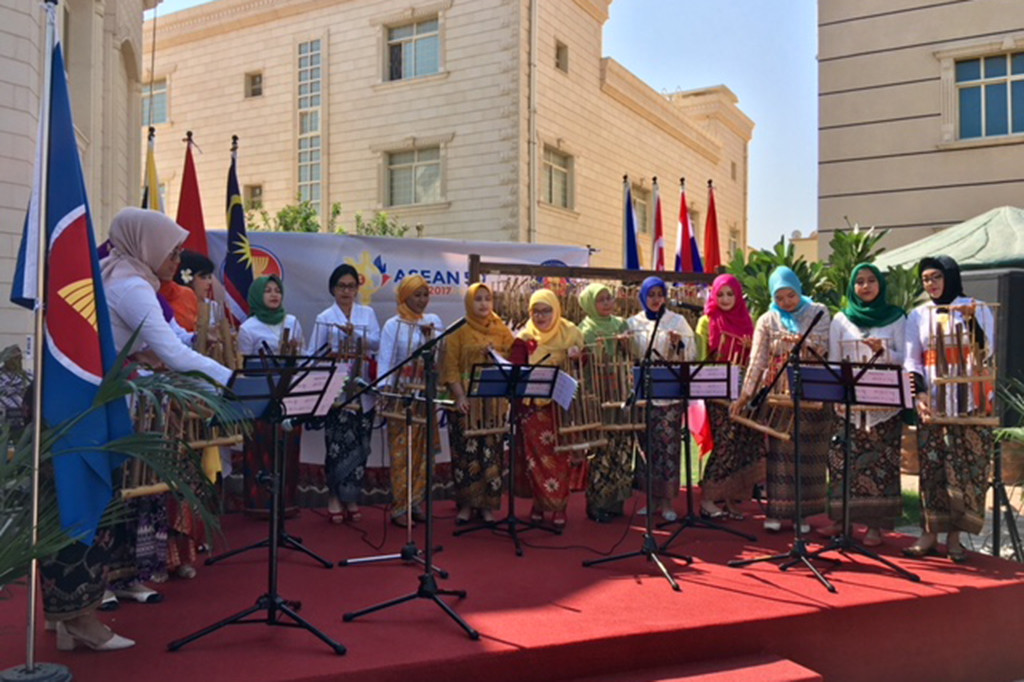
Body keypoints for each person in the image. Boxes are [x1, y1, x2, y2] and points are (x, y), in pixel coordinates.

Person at [41, 208, 230, 652]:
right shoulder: (132, 286)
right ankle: (79, 619)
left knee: (72, 505)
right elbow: (175, 354)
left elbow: (154, 347)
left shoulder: (115, 274)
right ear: (146, 245)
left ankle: (65, 616)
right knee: (91, 505)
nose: (178, 260)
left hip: (76, 402)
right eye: (172, 251)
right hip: (95, 411)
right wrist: (235, 384)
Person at [902, 255, 994, 563]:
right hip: (934, 403)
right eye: (926, 279)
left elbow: (987, 351)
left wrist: (970, 320)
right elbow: (912, 359)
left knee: (966, 471)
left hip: (970, 404)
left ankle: (956, 538)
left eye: (936, 277)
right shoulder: (918, 315)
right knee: (932, 471)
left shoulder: (976, 307)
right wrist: (920, 394)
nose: (931, 283)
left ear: (950, 277)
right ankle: (929, 534)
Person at [731, 266, 831, 533]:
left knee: (807, 454)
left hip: (811, 391)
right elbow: (757, 359)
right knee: (779, 454)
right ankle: (776, 511)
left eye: (791, 295)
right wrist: (745, 394)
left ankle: (802, 515)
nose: (786, 302)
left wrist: (803, 343)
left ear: (799, 290)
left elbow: (825, 347)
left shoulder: (818, 311)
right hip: (778, 394)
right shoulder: (767, 319)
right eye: (779, 297)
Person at [820, 264, 907, 546]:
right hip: (848, 404)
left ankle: (874, 527)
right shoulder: (841, 319)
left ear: (880, 284)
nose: (865, 286)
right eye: (859, 281)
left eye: (871, 280)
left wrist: (884, 351)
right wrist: (836, 396)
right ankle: (841, 522)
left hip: (884, 406)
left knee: (880, 464)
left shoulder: (896, 317)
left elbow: (906, 359)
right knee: (841, 463)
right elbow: (834, 360)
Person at [306, 264, 380, 523]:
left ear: (357, 289)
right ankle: (334, 497)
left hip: (362, 387)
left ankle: (352, 498)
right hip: (336, 389)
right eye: (341, 286)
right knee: (336, 445)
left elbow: (377, 342)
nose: (346, 291)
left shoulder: (367, 313)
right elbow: (313, 353)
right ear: (333, 289)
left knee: (361, 444)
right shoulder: (325, 317)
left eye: (351, 286)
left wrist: (354, 334)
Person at [509, 289, 584, 527]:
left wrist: (577, 357)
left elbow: (585, 365)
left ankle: (559, 506)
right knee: (535, 460)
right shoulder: (523, 337)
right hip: (533, 409)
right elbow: (515, 371)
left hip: (561, 407)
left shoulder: (571, 333)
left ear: (556, 310)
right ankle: (540, 504)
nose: (540, 316)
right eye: (535, 311)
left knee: (560, 457)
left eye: (546, 311)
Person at [443, 282, 515, 524]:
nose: (484, 304)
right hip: (466, 402)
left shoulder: (501, 330)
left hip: (493, 403)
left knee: (491, 455)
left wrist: (496, 355)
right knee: (466, 455)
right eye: (478, 299)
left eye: (487, 298)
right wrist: (460, 396)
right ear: (469, 303)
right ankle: (466, 505)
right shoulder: (458, 330)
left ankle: (487, 506)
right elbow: (450, 367)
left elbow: (513, 360)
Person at [627, 276, 696, 522]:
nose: (656, 299)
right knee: (647, 447)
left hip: (668, 394)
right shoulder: (633, 323)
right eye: (651, 295)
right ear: (643, 296)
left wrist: (679, 344)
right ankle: (651, 500)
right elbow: (630, 356)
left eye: (660, 294)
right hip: (644, 392)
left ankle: (667, 501)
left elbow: (691, 353)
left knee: (668, 447)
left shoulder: (677, 321)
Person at [694, 273, 762, 521]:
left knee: (741, 443)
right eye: (720, 294)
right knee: (725, 441)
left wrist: (748, 349)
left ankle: (732, 498)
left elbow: (755, 358)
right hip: (717, 390)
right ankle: (708, 498)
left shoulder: (747, 320)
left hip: (743, 390)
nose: (724, 299)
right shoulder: (706, 321)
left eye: (730, 294)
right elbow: (699, 358)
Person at [378, 275, 444, 526]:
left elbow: (439, 356)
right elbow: (385, 360)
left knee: (422, 453)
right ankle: (399, 507)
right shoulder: (392, 325)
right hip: (401, 397)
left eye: (425, 294)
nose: (422, 300)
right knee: (401, 453)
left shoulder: (433, 321)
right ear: (405, 297)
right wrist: (385, 392)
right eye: (417, 295)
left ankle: (416, 501)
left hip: (424, 395)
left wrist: (429, 339)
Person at [238, 275, 305, 517]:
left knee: (288, 447)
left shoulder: (292, 321)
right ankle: (259, 506)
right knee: (261, 447)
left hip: (288, 393)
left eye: (277, 290)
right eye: (268, 290)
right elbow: (243, 366)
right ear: (257, 295)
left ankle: (287, 504)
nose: (274, 294)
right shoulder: (248, 328)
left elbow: (302, 355)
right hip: (261, 397)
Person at [577, 282, 632, 523]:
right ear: (590, 304)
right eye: (601, 300)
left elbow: (630, 356)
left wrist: (625, 343)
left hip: (620, 393)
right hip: (597, 396)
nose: (607, 303)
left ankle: (617, 502)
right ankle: (598, 504)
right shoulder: (584, 329)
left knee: (622, 447)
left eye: (609, 298)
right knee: (601, 450)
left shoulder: (621, 324)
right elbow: (583, 365)